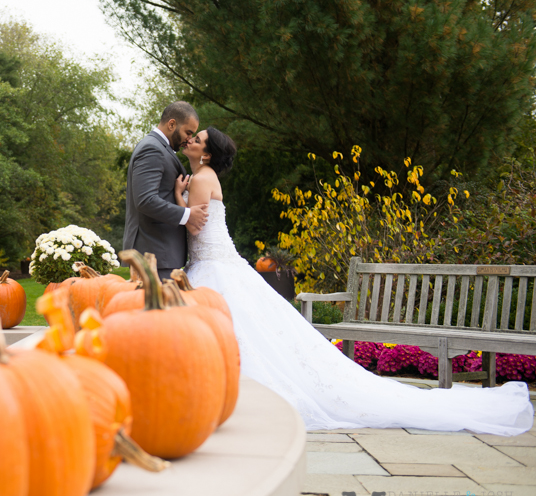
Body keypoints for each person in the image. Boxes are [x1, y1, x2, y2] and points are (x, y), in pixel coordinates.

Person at [175, 127, 533, 435]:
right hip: (216, 263)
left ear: (206, 153)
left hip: (214, 265)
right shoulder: (204, 177)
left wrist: (177, 199)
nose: (191, 140)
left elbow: (195, 223)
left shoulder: (203, 179)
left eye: (198, 139)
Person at [123, 102, 208, 280]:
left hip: (160, 255)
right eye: (188, 132)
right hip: (153, 255)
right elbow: (145, 200)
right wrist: (187, 214)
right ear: (171, 124)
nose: (189, 139)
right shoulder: (152, 149)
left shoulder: (160, 148)